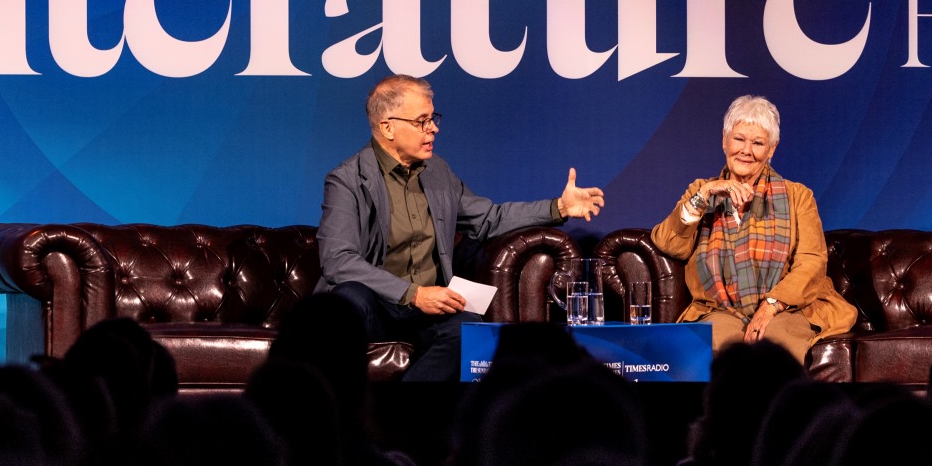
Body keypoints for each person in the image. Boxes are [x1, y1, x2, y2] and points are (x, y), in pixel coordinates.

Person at [316, 74, 605, 381]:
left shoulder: (437, 171)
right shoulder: (347, 180)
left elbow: (489, 218)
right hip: (376, 304)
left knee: (467, 329)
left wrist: (558, 207)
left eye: (433, 118)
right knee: (349, 298)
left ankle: (400, 406)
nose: (433, 129)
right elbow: (338, 260)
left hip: (425, 310)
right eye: (422, 121)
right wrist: (414, 294)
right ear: (388, 127)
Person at [650, 95, 855, 362]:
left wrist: (771, 305)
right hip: (720, 309)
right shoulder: (702, 191)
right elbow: (669, 243)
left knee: (775, 348)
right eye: (739, 139)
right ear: (724, 141)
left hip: (786, 309)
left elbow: (812, 261)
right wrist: (705, 195)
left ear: (772, 149)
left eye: (758, 143)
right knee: (720, 351)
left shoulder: (798, 196)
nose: (746, 150)